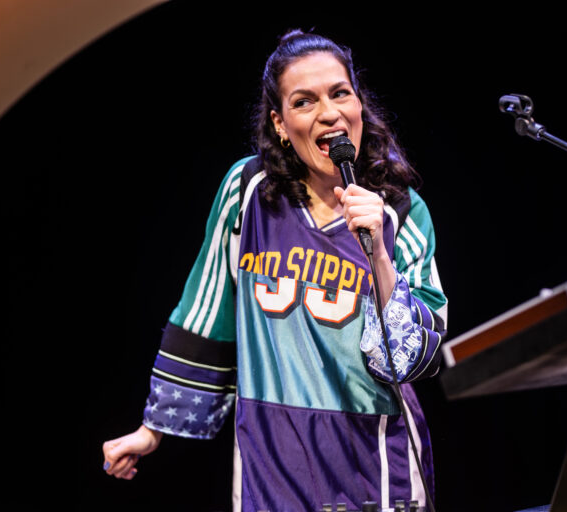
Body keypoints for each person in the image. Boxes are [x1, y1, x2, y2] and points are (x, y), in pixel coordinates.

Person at [102, 29, 447, 512]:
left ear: (359, 105)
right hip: (273, 458)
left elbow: (412, 359)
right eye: (304, 101)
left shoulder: (401, 213)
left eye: (340, 93)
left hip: (375, 462)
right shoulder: (248, 192)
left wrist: (380, 257)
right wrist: (153, 428)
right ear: (280, 124)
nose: (328, 112)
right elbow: (207, 309)